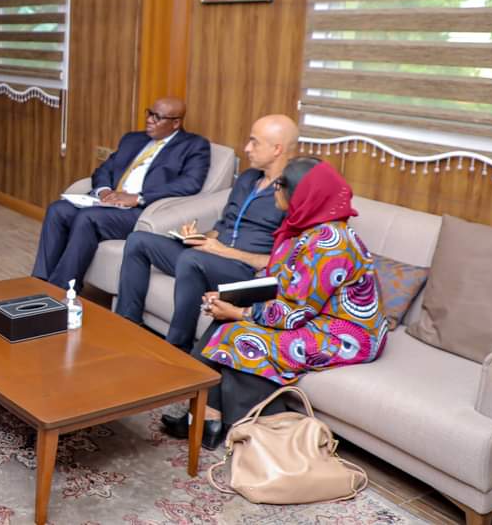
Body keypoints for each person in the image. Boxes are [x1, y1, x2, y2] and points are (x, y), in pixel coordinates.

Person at [162, 157, 387, 450]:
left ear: (300, 193)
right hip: (315, 316)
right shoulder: (304, 229)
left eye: (280, 185)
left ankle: (248, 433)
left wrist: (240, 312)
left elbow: (294, 313)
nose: (275, 191)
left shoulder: (329, 243)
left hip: (345, 334)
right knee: (223, 321)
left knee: (242, 336)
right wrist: (229, 300)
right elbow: (280, 285)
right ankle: (205, 417)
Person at [114, 115, 297, 349]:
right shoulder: (248, 178)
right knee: (139, 240)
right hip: (210, 258)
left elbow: (278, 262)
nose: (247, 148)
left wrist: (223, 251)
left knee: (191, 260)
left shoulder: (290, 194)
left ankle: (177, 347)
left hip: (243, 271)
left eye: (254, 142)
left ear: (277, 149)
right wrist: (200, 238)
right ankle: (127, 326)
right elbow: (223, 226)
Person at [33, 97, 210, 289]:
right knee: (58, 209)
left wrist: (138, 198)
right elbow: (104, 169)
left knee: (88, 218)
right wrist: (103, 191)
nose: (149, 120)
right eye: (149, 113)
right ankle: (39, 282)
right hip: (107, 202)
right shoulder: (133, 139)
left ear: (176, 123)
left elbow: (189, 184)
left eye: (157, 117)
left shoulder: (194, 145)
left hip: (141, 211)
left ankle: (61, 289)